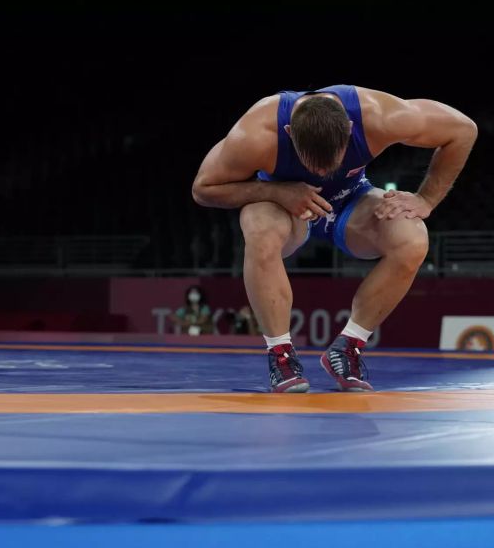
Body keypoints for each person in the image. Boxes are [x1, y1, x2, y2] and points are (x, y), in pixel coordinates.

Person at [192, 85, 477, 392]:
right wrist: (274, 191)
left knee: (413, 237)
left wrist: (427, 200)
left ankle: (349, 345)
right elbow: (204, 188)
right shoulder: (257, 131)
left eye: (333, 161)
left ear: (351, 128)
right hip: (283, 208)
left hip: (350, 201)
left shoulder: (379, 115)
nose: (323, 172)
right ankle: (281, 354)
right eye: (311, 162)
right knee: (259, 228)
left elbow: (462, 130)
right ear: (288, 132)